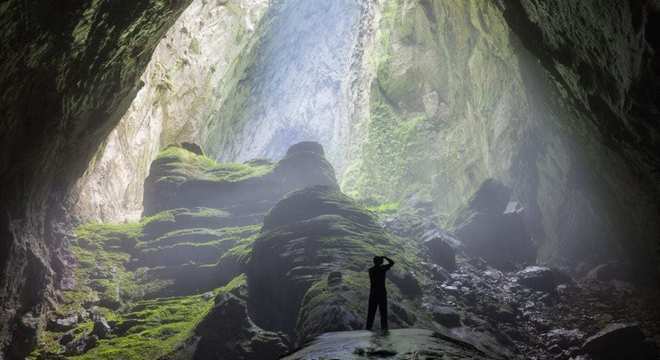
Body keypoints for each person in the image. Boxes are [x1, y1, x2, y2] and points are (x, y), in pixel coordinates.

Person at [366, 255, 395, 331]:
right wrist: (385, 257)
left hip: (373, 294)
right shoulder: (382, 269)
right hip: (382, 293)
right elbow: (392, 263)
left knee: (371, 312)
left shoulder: (371, 270)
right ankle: (384, 329)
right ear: (380, 262)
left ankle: (368, 328)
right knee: (383, 313)